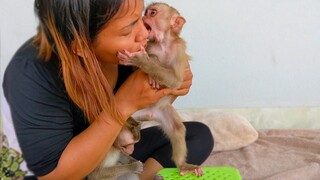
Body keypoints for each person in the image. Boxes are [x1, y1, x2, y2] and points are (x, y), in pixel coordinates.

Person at [2, 0, 214, 179]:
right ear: (82, 46)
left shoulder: (129, 53)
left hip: (110, 149)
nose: (143, 33)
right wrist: (123, 104)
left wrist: (167, 88)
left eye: (140, 18)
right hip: (62, 168)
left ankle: (142, 175)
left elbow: (149, 109)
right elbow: (55, 174)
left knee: (199, 135)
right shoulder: (31, 74)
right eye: (129, 29)